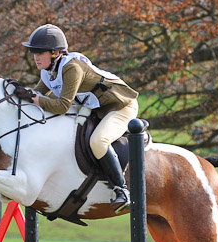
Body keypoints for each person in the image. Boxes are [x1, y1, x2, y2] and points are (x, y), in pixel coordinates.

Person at [20, 24, 139, 212]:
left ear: (55, 53)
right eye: (34, 52)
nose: (35, 57)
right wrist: (17, 94)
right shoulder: (48, 70)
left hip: (121, 106)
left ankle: (121, 190)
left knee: (98, 141)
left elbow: (61, 106)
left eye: (40, 52)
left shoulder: (71, 68)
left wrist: (36, 100)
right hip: (97, 108)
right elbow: (37, 94)